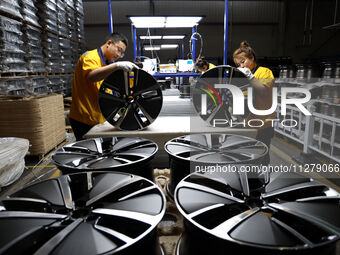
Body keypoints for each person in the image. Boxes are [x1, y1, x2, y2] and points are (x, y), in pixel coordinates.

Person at [69, 32, 138, 140]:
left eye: (122, 53)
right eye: (119, 50)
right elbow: (92, 76)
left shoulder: (107, 64)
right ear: (109, 43)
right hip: (84, 119)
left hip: (99, 119)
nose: (119, 55)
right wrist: (116, 65)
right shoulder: (90, 57)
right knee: (89, 153)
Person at [233, 41, 275, 165]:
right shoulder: (243, 76)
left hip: (264, 123)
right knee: (247, 155)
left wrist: (251, 77)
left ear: (251, 58)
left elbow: (264, 91)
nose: (241, 66)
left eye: (243, 62)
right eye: (238, 64)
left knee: (261, 155)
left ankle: (262, 179)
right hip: (248, 123)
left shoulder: (264, 72)